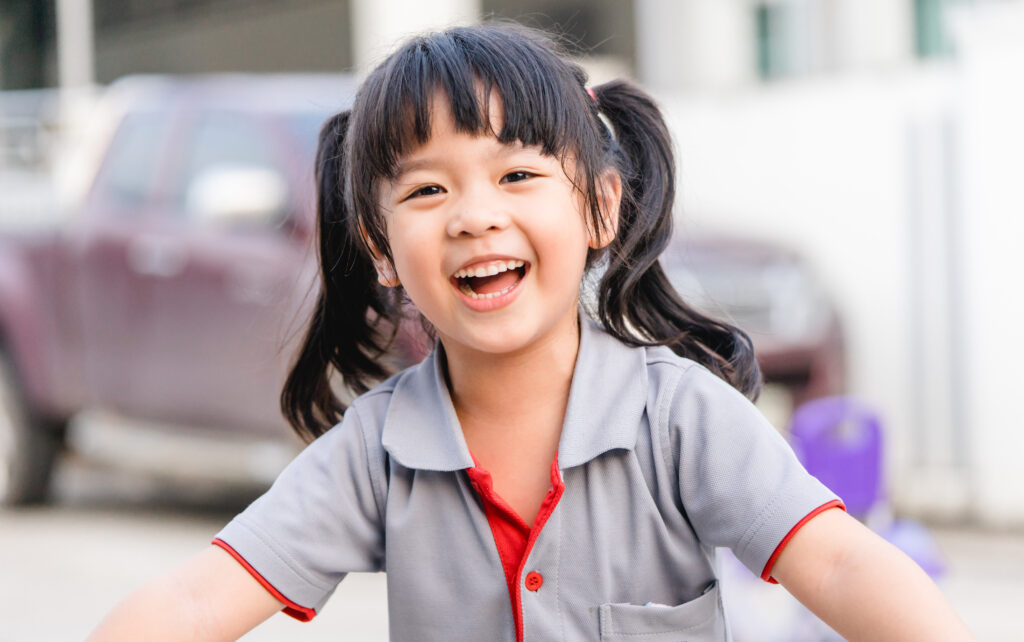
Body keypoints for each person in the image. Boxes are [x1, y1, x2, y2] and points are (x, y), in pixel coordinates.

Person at [89, 23, 972, 642]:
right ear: (381, 250)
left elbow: (843, 568)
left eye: (516, 175)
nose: (475, 216)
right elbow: (197, 601)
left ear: (599, 207)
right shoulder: (375, 451)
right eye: (427, 190)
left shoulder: (683, 420)